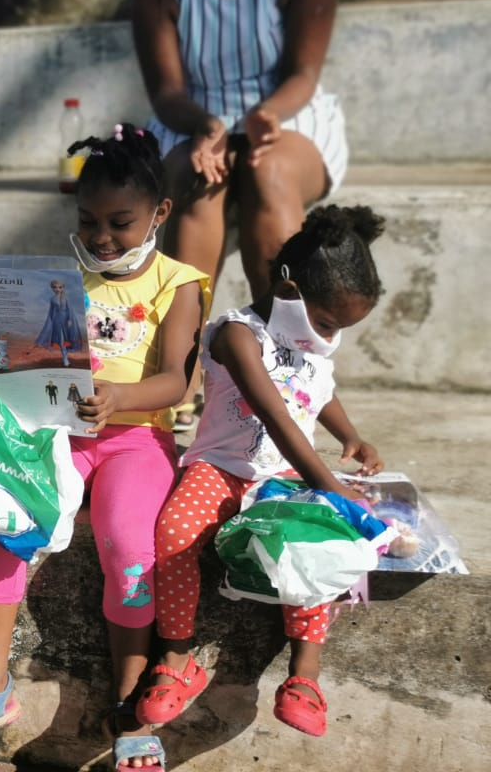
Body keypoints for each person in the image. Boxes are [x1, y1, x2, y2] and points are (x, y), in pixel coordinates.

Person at [0, 124, 209, 769]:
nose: (101, 237)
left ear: (161, 214)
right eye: (88, 222)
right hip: (55, 431)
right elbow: (21, 358)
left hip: (136, 438)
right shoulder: (57, 276)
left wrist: (117, 396)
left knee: (125, 544)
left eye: (120, 222)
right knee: (1, 521)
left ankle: (132, 702)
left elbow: (177, 379)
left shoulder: (178, 281)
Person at [136, 205, 384, 741]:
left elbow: (318, 391)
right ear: (288, 285)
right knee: (175, 531)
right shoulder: (236, 334)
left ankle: (304, 678)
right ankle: (176, 658)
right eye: (325, 322)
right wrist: (327, 484)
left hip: (279, 480)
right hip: (223, 470)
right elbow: (272, 409)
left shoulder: (309, 344)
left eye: (339, 329)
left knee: (319, 545)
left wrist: (350, 436)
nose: (328, 337)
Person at [133, 0, 345, 299]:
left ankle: (284, 338)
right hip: (192, 119)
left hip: (287, 113)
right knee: (199, 176)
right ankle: (183, 342)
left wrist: (268, 114)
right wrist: (206, 125)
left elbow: (303, 73)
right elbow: (167, 94)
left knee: (269, 171)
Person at [35, 278, 83, 365]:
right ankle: (65, 359)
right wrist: (50, 323)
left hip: (66, 322)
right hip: (57, 322)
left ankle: (66, 356)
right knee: (61, 341)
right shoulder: (52, 299)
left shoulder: (66, 298)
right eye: (55, 287)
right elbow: (51, 312)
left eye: (60, 287)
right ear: (52, 288)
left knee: (68, 340)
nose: (57, 289)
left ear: (63, 288)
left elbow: (70, 310)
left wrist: (70, 320)